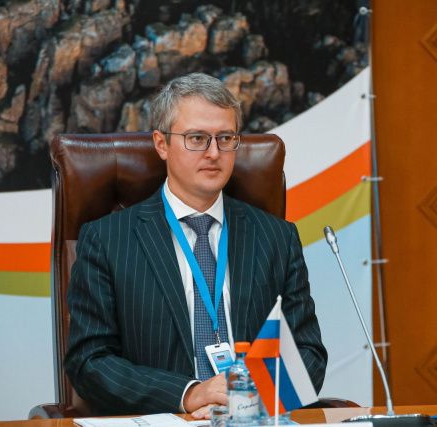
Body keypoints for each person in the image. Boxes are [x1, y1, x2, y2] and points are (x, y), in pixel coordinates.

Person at [64, 73, 327, 419]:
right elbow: (89, 362)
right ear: (161, 144)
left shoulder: (277, 237)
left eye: (226, 138)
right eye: (197, 138)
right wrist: (189, 394)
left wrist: (248, 398)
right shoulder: (107, 240)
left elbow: (308, 352)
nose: (214, 153)